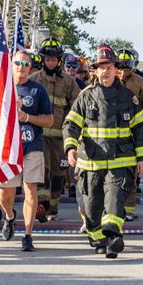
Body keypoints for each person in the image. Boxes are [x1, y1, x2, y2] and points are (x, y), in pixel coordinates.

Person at [63, 45, 143, 258]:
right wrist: (71, 147)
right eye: (101, 67)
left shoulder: (129, 98)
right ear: (95, 70)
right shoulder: (86, 97)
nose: (106, 71)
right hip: (92, 162)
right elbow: (70, 125)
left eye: (109, 67)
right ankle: (97, 237)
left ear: (116, 69)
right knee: (92, 205)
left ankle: (113, 237)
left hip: (121, 161)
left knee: (114, 200)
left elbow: (140, 129)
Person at [0, 50, 53, 251]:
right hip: (6, 148)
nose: (21, 67)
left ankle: (28, 235)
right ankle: (9, 216)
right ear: (11, 65)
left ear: (30, 68)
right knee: (5, 192)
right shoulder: (2, 89)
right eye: (17, 63)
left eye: (25, 64)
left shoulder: (38, 90)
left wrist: (27, 117)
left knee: (30, 189)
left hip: (32, 146)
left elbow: (49, 120)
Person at [31, 38, 81, 220]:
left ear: (59, 60)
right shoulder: (34, 80)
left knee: (58, 175)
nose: (50, 63)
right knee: (41, 170)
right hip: (39, 136)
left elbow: (77, 108)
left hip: (61, 137)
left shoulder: (69, 82)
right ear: (42, 60)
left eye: (54, 60)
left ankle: (52, 209)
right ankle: (41, 204)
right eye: (47, 59)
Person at [115, 47, 143, 221]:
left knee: (131, 175)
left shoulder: (141, 83)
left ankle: (129, 210)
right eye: (120, 68)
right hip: (111, 136)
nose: (122, 72)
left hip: (134, 136)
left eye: (126, 68)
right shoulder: (106, 80)